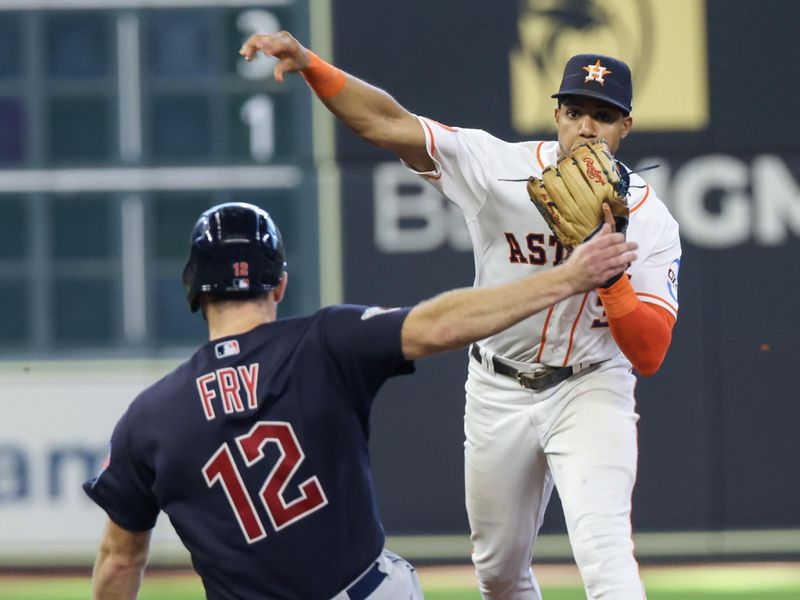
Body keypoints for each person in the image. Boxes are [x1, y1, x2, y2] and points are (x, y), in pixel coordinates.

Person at [239, 33, 681, 600]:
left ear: (626, 127)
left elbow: (648, 353)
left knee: (606, 560)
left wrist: (612, 272)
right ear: (557, 115)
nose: (586, 128)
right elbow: (387, 125)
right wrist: (310, 64)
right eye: (575, 112)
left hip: (591, 387)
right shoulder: (499, 168)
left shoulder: (650, 221)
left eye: (603, 115)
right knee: (497, 575)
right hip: (498, 388)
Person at [83, 202, 636, 600]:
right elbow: (442, 323)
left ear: (194, 291)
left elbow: (119, 560)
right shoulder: (323, 342)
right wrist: (567, 276)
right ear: (278, 284)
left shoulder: (148, 419)